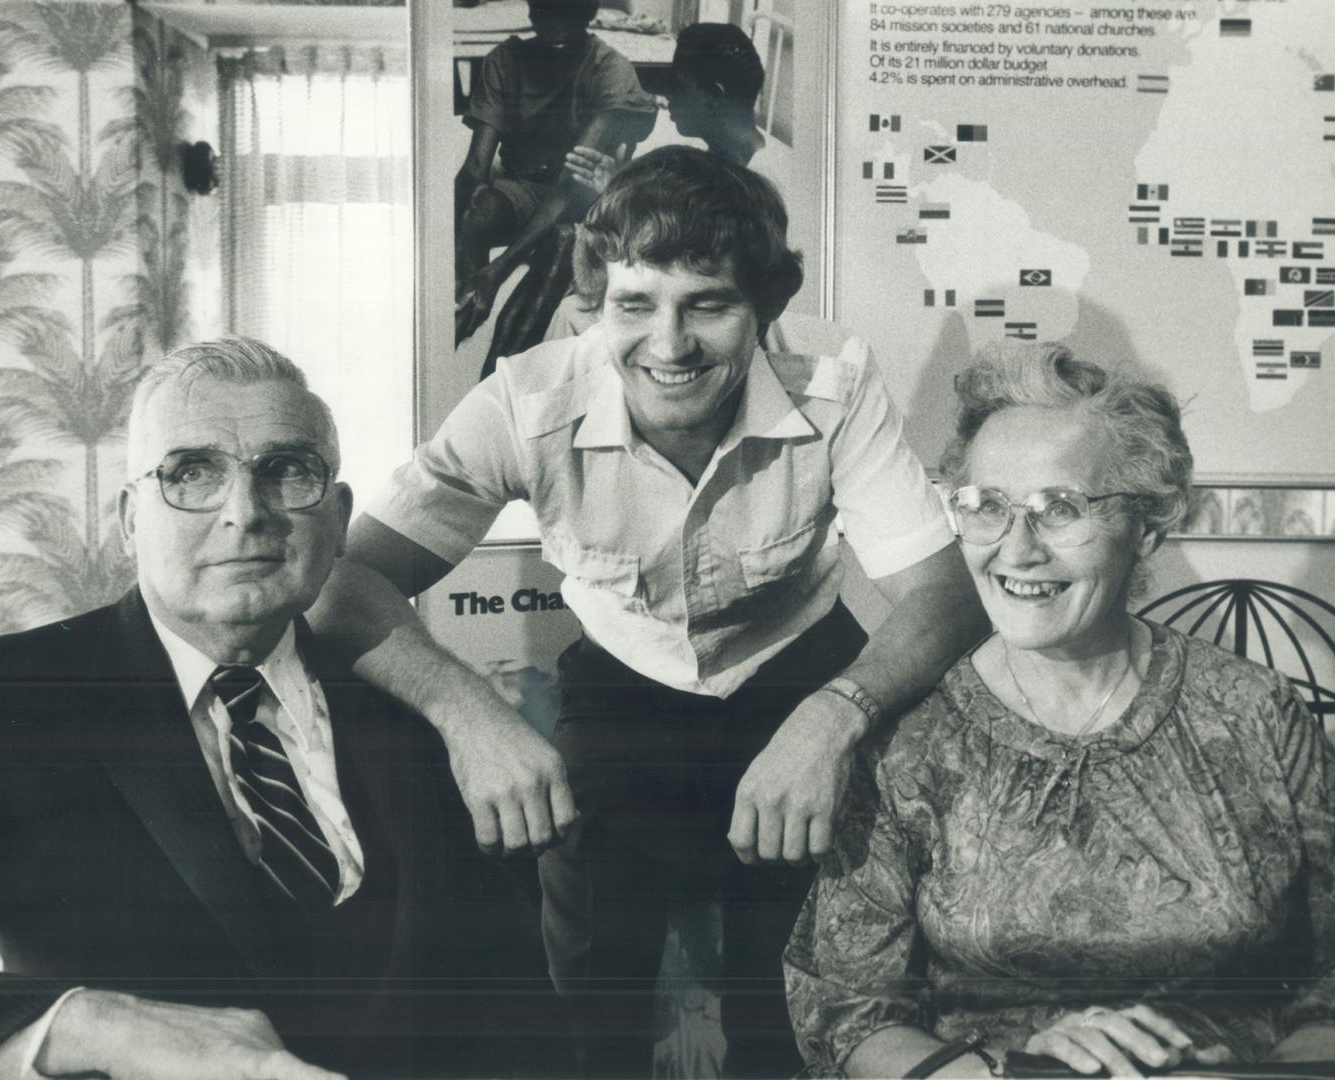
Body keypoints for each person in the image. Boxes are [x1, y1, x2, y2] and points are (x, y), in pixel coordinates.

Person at [311, 146, 989, 1077]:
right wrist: (471, 717)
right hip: (626, 685)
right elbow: (342, 583)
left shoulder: (833, 379)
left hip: (799, 672)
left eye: (707, 304)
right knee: (590, 1012)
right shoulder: (524, 399)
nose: (667, 347)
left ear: (766, 307)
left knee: (797, 1007)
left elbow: (946, 598)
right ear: (593, 306)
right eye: (635, 306)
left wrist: (836, 718)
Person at [784, 342, 1335, 1078]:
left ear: (1146, 524)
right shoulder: (907, 742)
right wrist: (1010, 1072)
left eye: (1060, 509)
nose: (1015, 550)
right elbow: (848, 1008)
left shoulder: (1256, 715)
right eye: (986, 506)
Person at [0, 338, 558, 1079]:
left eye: (286, 471)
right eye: (191, 473)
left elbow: (517, 1014)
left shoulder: (427, 709)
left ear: (338, 516)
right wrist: (95, 1025)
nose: (246, 513)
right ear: (131, 519)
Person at [546, 21, 784, 345]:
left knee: (571, 313)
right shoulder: (714, 160)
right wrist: (622, 190)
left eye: (678, 84)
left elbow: (705, 263)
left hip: (727, 322)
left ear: (715, 95)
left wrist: (625, 200)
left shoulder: (770, 179)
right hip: (690, 303)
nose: (665, 95)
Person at [455, 0, 657, 357]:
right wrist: (456, 245)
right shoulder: (506, 58)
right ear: (532, 13)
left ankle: (503, 365)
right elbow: (475, 169)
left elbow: (571, 182)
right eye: (549, 12)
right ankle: (465, 314)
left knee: (563, 240)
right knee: (478, 209)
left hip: (587, 196)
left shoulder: (608, 68)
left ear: (589, 13)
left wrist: (501, 267)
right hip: (526, 184)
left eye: (571, 12)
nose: (560, 25)